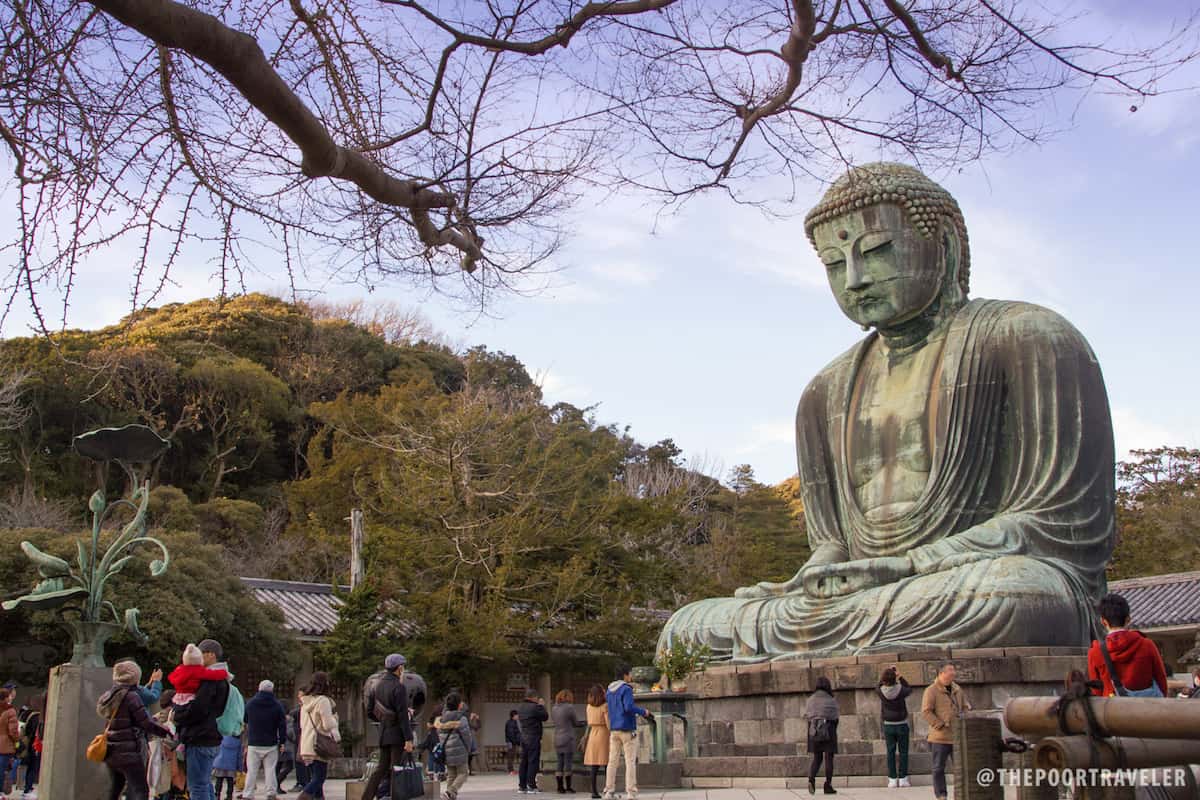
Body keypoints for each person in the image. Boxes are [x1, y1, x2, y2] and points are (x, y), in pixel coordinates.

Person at [658, 162, 1116, 661]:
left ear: (945, 245)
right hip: (872, 595)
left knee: (1018, 594)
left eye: (874, 252)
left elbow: (1059, 524)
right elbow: (833, 542)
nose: (854, 280)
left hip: (970, 581)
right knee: (688, 627)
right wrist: (819, 575)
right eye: (834, 264)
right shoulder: (823, 392)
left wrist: (912, 564)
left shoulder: (1028, 337)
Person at [97, 660, 173, 800]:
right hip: (129, 752)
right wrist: (166, 732)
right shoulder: (132, 697)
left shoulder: (111, 695)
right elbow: (146, 722)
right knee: (140, 790)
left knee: (115, 788)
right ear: (134, 677)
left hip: (111, 750)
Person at [173, 642, 231, 800]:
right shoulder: (221, 677)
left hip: (200, 736)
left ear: (211, 654)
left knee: (197, 785)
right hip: (211, 735)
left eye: (202, 653)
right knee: (205, 783)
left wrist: (178, 715)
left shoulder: (210, 679)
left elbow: (198, 709)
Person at [1087, 593, 1169, 697]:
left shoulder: (1095, 652)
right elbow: (1161, 681)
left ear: (1103, 622)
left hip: (1112, 709)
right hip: (1147, 708)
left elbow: (1096, 691)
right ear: (1128, 619)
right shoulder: (1147, 645)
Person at [360, 654, 414, 800]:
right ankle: (396, 797)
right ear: (400, 668)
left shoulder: (376, 685)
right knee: (397, 769)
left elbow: (369, 711)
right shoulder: (399, 687)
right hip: (397, 734)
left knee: (381, 768)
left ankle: (366, 797)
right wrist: (408, 739)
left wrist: (383, 720)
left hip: (384, 732)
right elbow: (403, 716)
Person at [601, 665, 653, 800]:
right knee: (630, 761)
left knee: (612, 761)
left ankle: (609, 791)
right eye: (629, 674)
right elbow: (628, 707)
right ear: (625, 675)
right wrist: (644, 712)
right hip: (627, 728)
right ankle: (631, 792)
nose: (631, 677)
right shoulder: (626, 689)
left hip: (614, 730)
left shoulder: (609, 690)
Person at [921, 663, 970, 800]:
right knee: (938, 768)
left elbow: (966, 706)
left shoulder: (957, 689)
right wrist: (940, 724)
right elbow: (926, 711)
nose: (953, 672)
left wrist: (964, 716)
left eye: (953, 669)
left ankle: (961, 794)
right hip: (939, 738)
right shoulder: (931, 690)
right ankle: (941, 795)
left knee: (961, 769)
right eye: (950, 670)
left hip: (957, 736)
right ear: (941, 673)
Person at [297, 672, 339, 800]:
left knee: (315, 779)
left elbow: (301, 724)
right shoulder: (323, 701)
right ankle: (302, 797)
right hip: (319, 745)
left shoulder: (305, 702)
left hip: (306, 745)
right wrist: (334, 719)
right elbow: (327, 725)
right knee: (319, 778)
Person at [243, 679, 287, 800]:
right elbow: (282, 725)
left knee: (252, 771)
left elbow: (245, 720)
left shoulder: (250, 703)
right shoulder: (277, 705)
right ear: (272, 690)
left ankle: (248, 794)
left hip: (254, 742)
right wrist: (282, 741)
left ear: (259, 688)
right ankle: (271, 793)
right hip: (271, 743)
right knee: (270, 770)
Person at [434, 692, 476, 800]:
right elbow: (467, 736)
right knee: (463, 773)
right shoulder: (461, 718)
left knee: (451, 775)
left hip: (446, 751)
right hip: (460, 750)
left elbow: (439, 734)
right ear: (459, 704)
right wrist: (468, 749)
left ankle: (450, 796)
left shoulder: (442, 719)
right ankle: (450, 792)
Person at [877, 666, 911, 789]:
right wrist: (899, 676)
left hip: (888, 725)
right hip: (902, 724)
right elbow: (909, 689)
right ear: (894, 678)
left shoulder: (880, 691)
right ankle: (903, 779)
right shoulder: (901, 690)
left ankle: (892, 779)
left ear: (884, 680)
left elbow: (878, 685)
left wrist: (886, 676)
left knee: (890, 752)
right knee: (903, 752)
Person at [804, 677, 838, 795]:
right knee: (829, 758)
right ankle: (827, 785)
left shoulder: (810, 700)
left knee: (817, 758)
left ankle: (811, 779)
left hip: (814, 730)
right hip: (829, 730)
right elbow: (835, 718)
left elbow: (807, 716)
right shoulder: (831, 700)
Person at [168, 645, 229, 710]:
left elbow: (171, 677)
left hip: (178, 697)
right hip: (190, 698)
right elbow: (212, 674)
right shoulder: (199, 671)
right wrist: (224, 673)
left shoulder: (180, 669)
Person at [517, 690, 549, 794]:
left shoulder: (521, 707)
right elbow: (545, 717)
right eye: (536, 698)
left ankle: (522, 786)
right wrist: (541, 706)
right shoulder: (535, 707)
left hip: (523, 736)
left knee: (524, 762)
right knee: (533, 761)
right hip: (533, 737)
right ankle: (531, 785)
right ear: (533, 697)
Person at [582, 686, 609, 800]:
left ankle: (594, 791)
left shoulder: (588, 707)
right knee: (608, 763)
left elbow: (589, 722)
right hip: (604, 734)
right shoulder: (605, 706)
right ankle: (608, 789)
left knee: (594, 765)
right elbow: (609, 723)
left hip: (593, 734)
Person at [550, 691, 579, 794]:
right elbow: (575, 722)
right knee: (568, 763)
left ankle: (559, 787)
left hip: (557, 737)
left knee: (559, 763)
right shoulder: (569, 707)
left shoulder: (554, 708)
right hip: (568, 738)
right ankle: (568, 787)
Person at [17, 695, 42, 800]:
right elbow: (36, 732)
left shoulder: (24, 713)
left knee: (23, 764)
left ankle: (21, 786)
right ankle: (27, 789)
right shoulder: (37, 716)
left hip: (24, 744)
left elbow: (20, 729)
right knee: (32, 767)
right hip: (32, 745)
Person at [211, 732, 242, 800]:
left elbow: (216, 750)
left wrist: (213, 763)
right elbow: (239, 756)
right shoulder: (238, 741)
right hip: (231, 765)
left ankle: (217, 795)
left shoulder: (222, 737)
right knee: (230, 781)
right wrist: (240, 768)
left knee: (219, 780)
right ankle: (229, 796)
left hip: (220, 763)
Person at [0, 687, 19, 799]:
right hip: (5, 745)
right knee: (2, 769)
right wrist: (17, 741)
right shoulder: (10, 711)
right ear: (7, 698)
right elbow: (13, 731)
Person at [504, 711, 521, 775]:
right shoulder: (510, 723)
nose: (518, 716)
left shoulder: (514, 722)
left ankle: (511, 770)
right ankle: (510, 770)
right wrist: (515, 741)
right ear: (514, 716)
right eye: (517, 715)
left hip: (513, 741)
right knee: (510, 756)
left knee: (512, 755)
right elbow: (511, 734)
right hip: (511, 742)